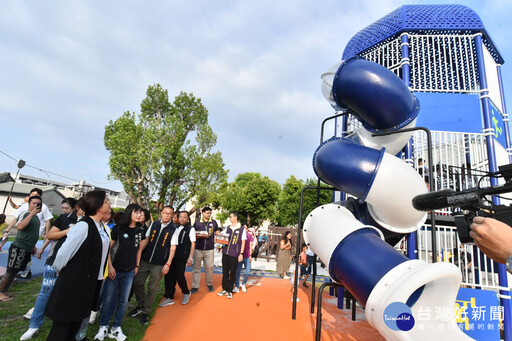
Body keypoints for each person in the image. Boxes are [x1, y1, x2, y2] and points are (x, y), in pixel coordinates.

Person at [44, 190, 111, 341]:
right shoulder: (83, 226)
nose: (110, 204)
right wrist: (60, 269)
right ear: (97, 205)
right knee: (63, 326)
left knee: (75, 323)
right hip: (75, 282)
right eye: (106, 201)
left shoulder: (101, 227)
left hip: (91, 281)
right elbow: (63, 253)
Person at [20, 198, 79, 340]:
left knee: (65, 296)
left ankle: (59, 324)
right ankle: (34, 325)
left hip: (72, 265)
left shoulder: (90, 223)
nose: (64, 210)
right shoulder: (64, 219)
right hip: (54, 261)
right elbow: (50, 235)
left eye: (66, 208)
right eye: (63, 207)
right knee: (46, 292)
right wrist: (69, 231)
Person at [94, 204, 145, 341]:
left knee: (123, 301)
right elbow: (108, 249)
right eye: (136, 213)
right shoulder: (118, 228)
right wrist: (110, 266)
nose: (139, 215)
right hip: (114, 270)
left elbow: (139, 250)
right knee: (109, 299)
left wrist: (137, 266)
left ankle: (116, 328)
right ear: (129, 213)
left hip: (129, 272)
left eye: (140, 213)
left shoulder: (140, 230)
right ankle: (103, 327)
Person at [131, 205, 175, 325]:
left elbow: (172, 248)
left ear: (172, 215)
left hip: (160, 264)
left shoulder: (174, 229)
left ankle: (146, 312)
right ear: (161, 213)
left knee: (152, 288)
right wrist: (139, 252)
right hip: (145, 260)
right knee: (138, 283)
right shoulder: (154, 224)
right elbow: (146, 238)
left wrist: (168, 264)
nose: (167, 215)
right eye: (165, 213)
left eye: (169, 213)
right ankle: (140, 305)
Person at [0, 196, 42, 302]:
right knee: (10, 271)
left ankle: (5, 291)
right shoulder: (26, 214)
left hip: (27, 248)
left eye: (38, 203)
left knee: (15, 271)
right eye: (34, 203)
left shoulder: (36, 217)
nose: (36, 205)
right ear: (29, 204)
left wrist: (33, 246)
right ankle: (1, 293)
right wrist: (32, 213)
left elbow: (31, 233)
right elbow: (20, 227)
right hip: (18, 247)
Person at [160, 211, 196, 306]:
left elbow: (193, 244)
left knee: (180, 276)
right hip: (172, 256)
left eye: (185, 217)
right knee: (169, 276)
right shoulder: (174, 227)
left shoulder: (190, 229)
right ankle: (169, 296)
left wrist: (190, 258)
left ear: (188, 218)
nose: (182, 219)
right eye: (180, 217)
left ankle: (186, 292)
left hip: (182, 257)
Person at [217, 211, 246, 299]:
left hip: (235, 254)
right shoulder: (228, 228)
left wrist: (241, 253)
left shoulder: (242, 229)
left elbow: (243, 242)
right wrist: (220, 246)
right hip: (225, 253)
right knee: (225, 271)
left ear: (235, 217)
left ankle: (229, 290)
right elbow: (222, 238)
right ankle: (224, 289)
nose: (229, 218)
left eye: (231, 217)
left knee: (233, 272)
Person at [191, 206, 220, 294]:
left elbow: (217, 232)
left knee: (209, 268)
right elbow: (193, 234)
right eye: (207, 213)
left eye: (210, 213)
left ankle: (209, 284)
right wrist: (200, 235)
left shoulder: (214, 222)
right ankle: (195, 286)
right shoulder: (197, 223)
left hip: (209, 249)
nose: (209, 214)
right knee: (196, 268)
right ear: (202, 213)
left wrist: (219, 234)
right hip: (198, 249)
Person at [233, 226, 254, 293]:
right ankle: (236, 286)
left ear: (248, 229)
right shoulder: (238, 235)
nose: (245, 229)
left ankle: (243, 283)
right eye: (243, 228)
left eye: (246, 228)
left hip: (247, 256)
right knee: (238, 272)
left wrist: (250, 255)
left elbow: (250, 246)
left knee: (248, 271)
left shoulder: (249, 235)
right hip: (239, 256)